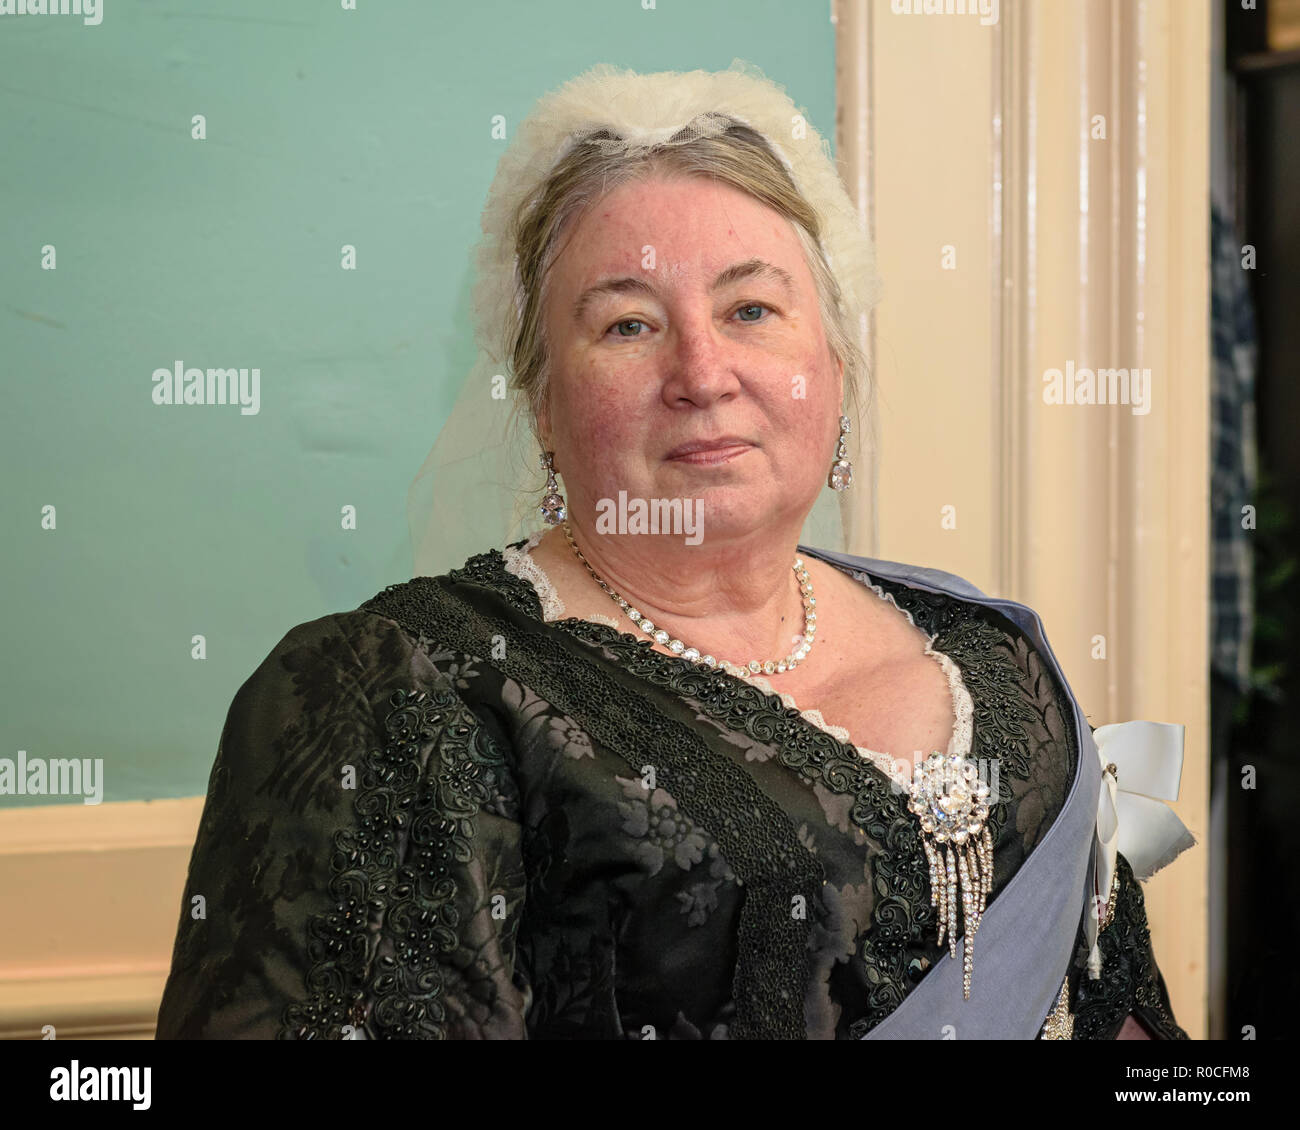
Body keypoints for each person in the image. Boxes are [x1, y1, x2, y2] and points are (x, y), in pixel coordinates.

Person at [155, 61, 1191, 1040]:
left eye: (751, 309)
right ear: (542, 402)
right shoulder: (397, 691)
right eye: (627, 326)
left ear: (832, 362)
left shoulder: (990, 655)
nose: (702, 371)